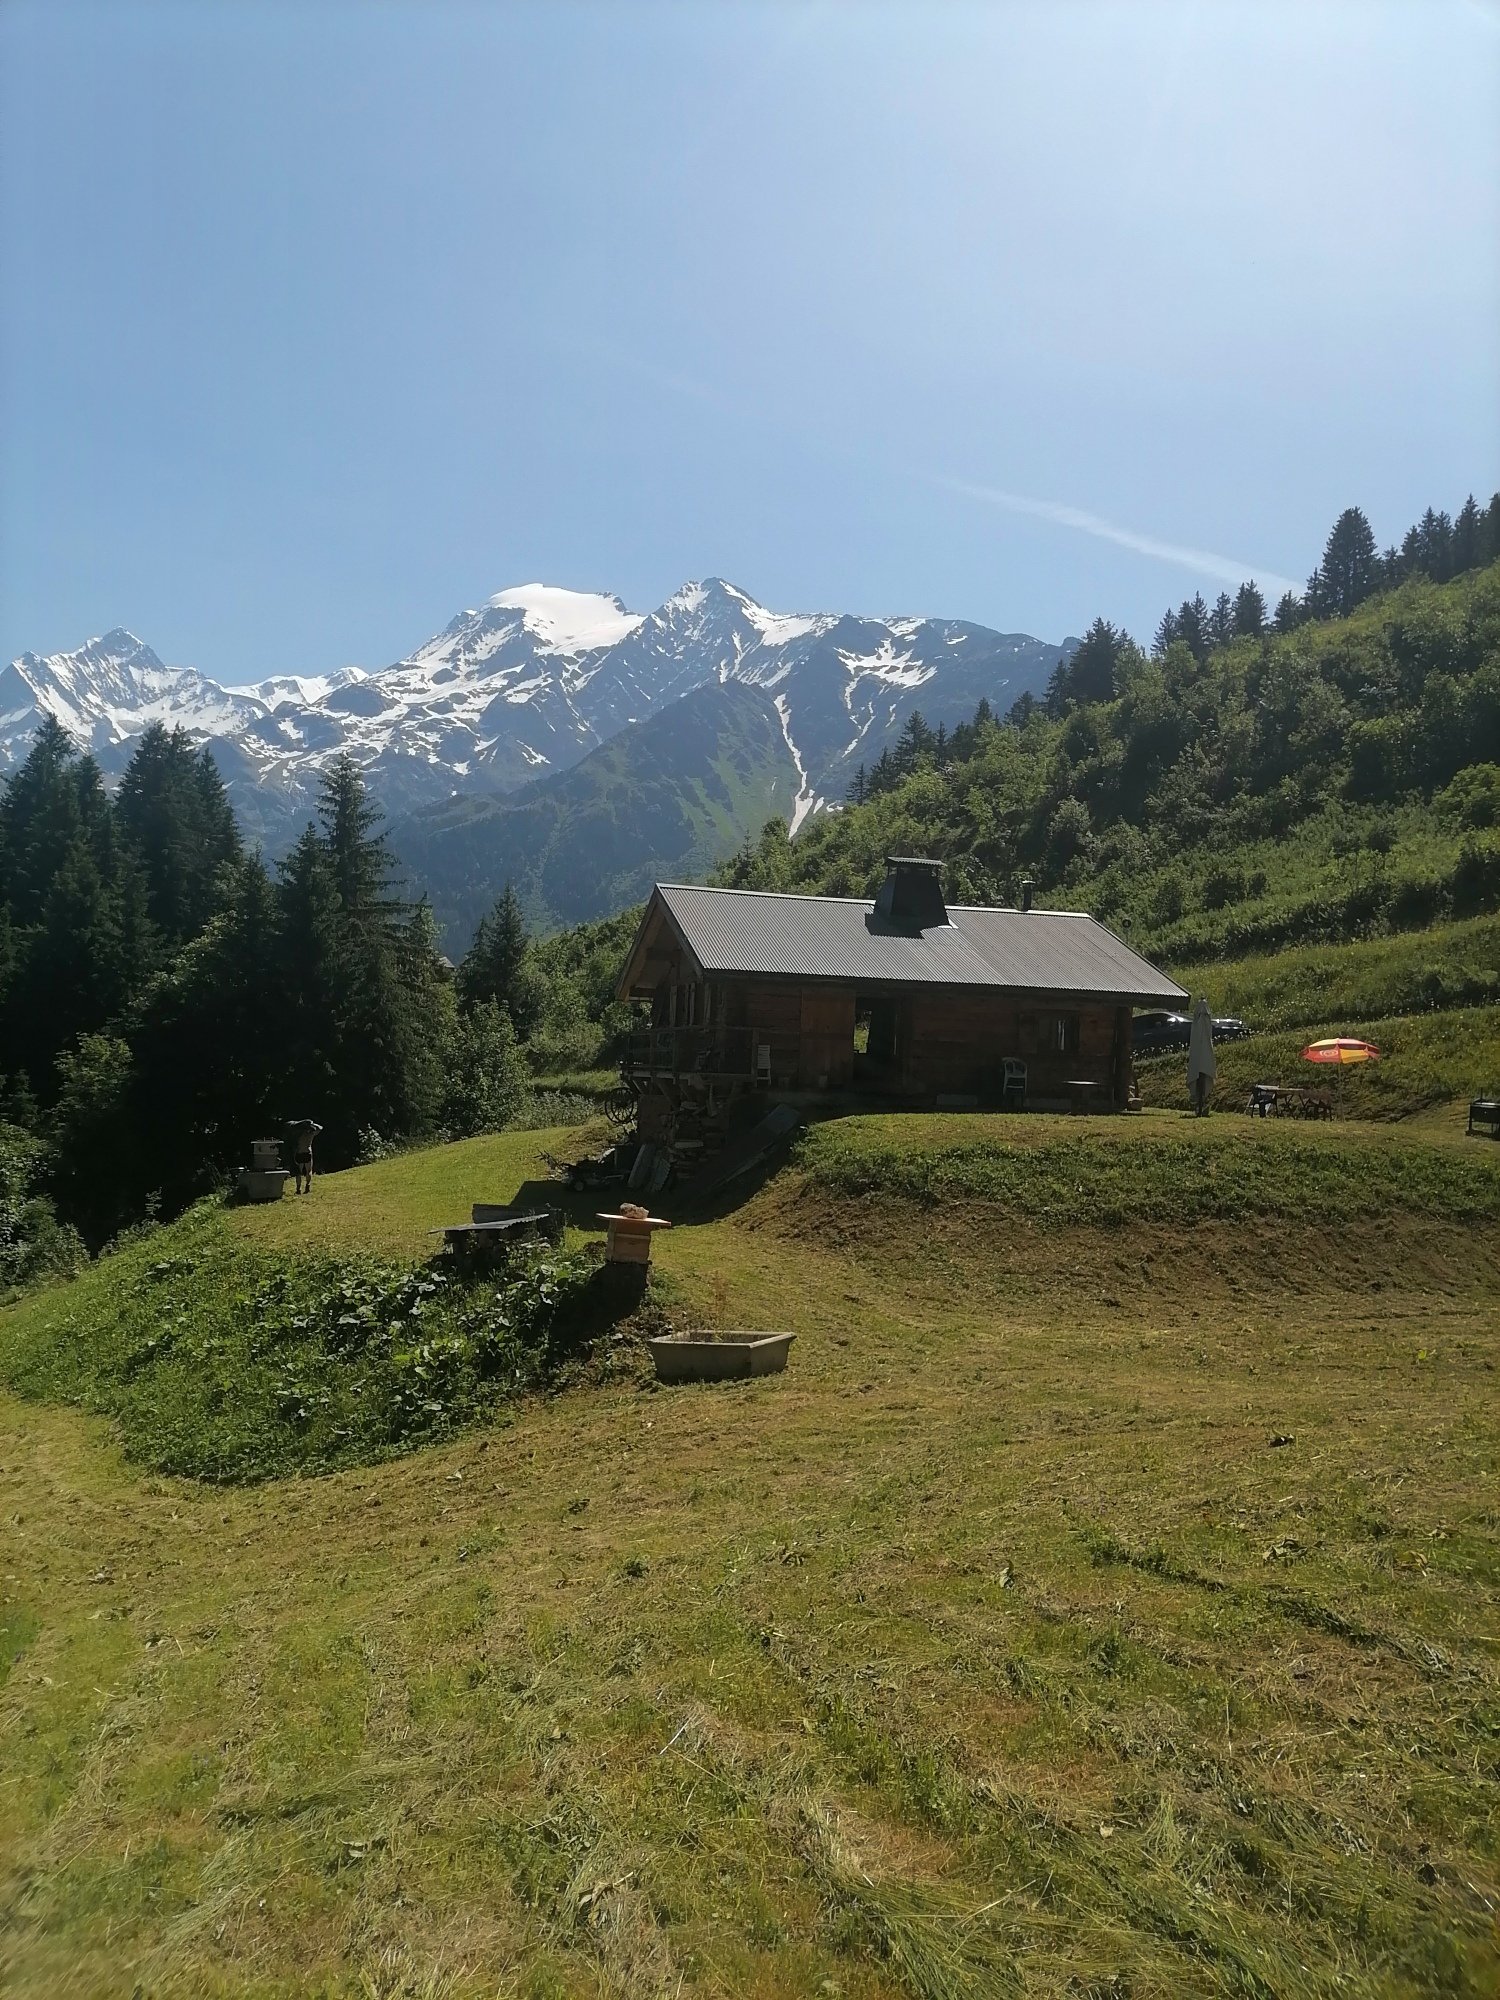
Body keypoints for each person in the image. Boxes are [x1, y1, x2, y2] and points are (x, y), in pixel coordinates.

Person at [1186, 997, 1217, 1116]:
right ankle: (1199, 1104)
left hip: (1202, 1064)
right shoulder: (1199, 1025)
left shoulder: (1203, 1025)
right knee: (1199, 1080)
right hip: (1200, 1063)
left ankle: (1201, 1104)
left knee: (1202, 1080)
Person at [289, 1118, 323, 1194]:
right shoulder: (311, 1133)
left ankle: (298, 1189)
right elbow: (320, 1128)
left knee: (299, 1173)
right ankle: (307, 1186)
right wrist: (312, 1123)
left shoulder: (298, 1134)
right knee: (309, 1171)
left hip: (299, 1153)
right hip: (308, 1152)